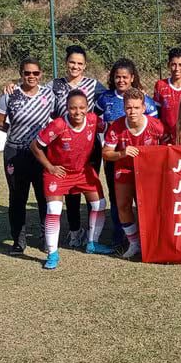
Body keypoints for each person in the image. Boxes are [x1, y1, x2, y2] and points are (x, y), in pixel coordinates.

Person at [5, 46, 107, 250]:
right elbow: (32, 89)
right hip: (62, 146)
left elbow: (113, 98)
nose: (75, 66)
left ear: (85, 66)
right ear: (66, 63)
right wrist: (10, 86)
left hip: (88, 147)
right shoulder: (54, 85)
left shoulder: (94, 85)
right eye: (72, 62)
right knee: (68, 192)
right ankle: (74, 231)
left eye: (79, 63)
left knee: (89, 190)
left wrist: (136, 89)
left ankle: (91, 237)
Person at [31, 90, 112, 270]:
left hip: (83, 171)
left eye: (82, 107)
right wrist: (50, 167)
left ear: (87, 108)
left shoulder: (93, 120)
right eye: (73, 108)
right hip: (59, 172)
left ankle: (92, 243)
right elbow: (35, 146)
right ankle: (52, 253)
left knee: (99, 204)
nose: (77, 112)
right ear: (67, 108)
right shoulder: (58, 125)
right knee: (54, 209)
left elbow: (111, 127)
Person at [0, 58, 54, 256]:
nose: (31, 77)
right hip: (15, 152)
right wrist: (17, 133)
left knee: (44, 196)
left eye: (35, 73)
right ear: (21, 74)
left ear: (41, 74)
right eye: (27, 73)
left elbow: (60, 119)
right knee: (18, 197)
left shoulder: (49, 94)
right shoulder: (10, 94)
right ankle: (18, 240)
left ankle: (46, 237)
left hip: (40, 153)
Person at [94, 59, 158, 248]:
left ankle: (147, 237)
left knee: (143, 198)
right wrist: (106, 127)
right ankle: (120, 236)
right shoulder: (105, 98)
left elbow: (154, 128)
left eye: (125, 77)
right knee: (117, 198)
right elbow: (94, 118)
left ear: (132, 78)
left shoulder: (145, 100)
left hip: (141, 158)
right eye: (117, 77)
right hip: (115, 153)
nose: (121, 80)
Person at [102, 88, 167, 261]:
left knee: (149, 208)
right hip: (124, 170)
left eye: (136, 107)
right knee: (123, 206)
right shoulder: (116, 126)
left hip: (149, 172)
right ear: (124, 108)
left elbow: (168, 149)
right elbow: (106, 153)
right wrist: (122, 153)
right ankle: (134, 243)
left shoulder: (156, 126)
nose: (133, 111)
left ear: (144, 108)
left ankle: (152, 242)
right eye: (129, 107)